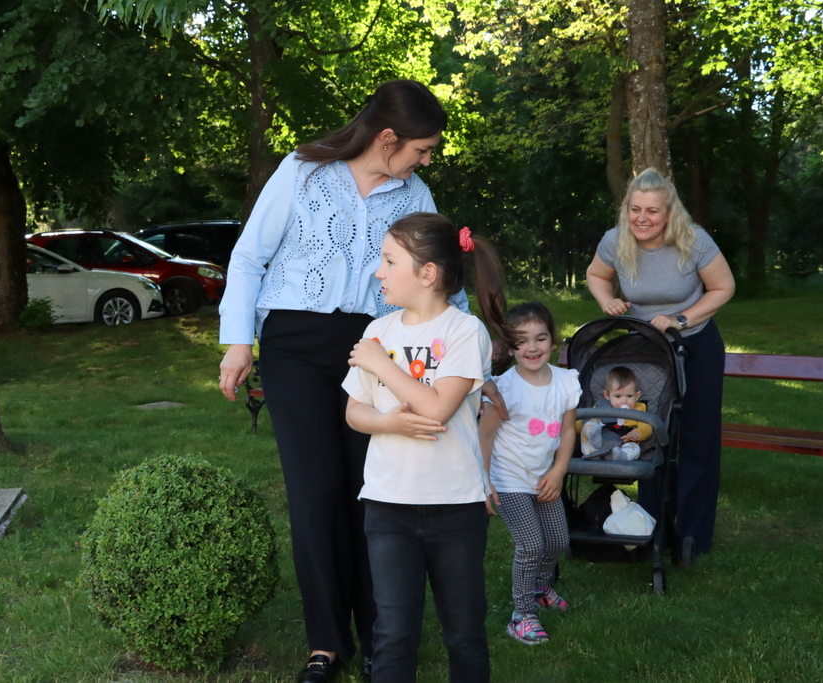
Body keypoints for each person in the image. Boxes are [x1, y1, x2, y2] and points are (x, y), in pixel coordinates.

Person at [217, 80, 471, 682]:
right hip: (294, 346)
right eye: (421, 149)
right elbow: (250, 257)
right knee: (315, 494)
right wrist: (238, 341)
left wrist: (467, 355)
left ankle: (384, 638)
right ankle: (326, 644)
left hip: (376, 348)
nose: (425, 160)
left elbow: (438, 278)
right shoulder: (303, 171)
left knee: (371, 492)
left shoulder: (415, 193)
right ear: (388, 138)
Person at [342, 214, 515, 683]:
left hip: (455, 508)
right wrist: (388, 422)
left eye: (389, 261)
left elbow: (438, 407)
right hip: (388, 505)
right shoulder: (378, 331)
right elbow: (355, 412)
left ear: (428, 273)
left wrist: (382, 364)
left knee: (463, 631)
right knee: (393, 633)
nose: (378, 272)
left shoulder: (464, 331)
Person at [586, 168, 735, 559]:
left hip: (696, 344)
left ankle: (692, 536)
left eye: (652, 211)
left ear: (669, 213)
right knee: (651, 432)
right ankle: (652, 528)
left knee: (697, 439)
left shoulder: (693, 240)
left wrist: (680, 319)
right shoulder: (615, 240)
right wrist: (607, 301)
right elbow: (596, 274)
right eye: (635, 209)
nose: (642, 218)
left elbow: (724, 287)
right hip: (649, 350)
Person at [478, 301, 580, 646]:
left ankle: (539, 589)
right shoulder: (503, 389)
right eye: (521, 341)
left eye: (540, 338)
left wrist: (559, 471)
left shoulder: (566, 382)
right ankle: (521, 616)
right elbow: (484, 437)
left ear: (553, 341)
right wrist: (485, 481)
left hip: (544, 478)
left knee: (558, 541)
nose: (532, 348)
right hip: (509, 480)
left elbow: (568, 431)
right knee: (532, 545)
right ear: (510, 347)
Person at [578, 366, 654, 461]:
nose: (624, 401)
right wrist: (569, 425)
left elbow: (647, 427)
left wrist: (637, 433)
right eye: (618, 396)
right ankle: (592, 439)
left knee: (634, 448)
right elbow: (582, 421)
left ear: (637, 396)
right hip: (600, 441)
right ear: (607, 395)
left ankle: (621, 456)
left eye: (629, 396)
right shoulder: (601, 406)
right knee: (588, 422)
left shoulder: (638, 409)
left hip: (624, 443)